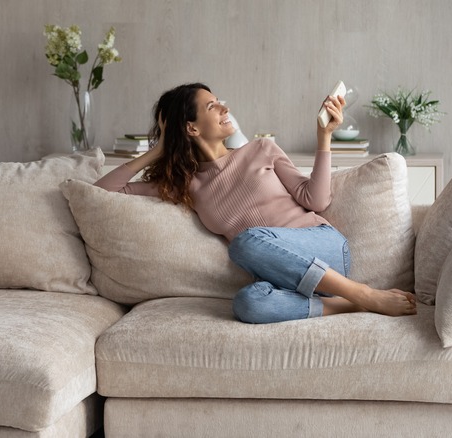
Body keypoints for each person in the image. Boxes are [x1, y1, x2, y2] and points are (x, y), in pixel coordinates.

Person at [94, 83, 417, 323]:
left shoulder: (261, 149)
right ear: (190, 128)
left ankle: (362, 292)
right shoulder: (185, 185)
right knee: (248, 304)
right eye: (211, 106)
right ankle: (352, 304)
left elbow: (316, 199)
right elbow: (104, 191)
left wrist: (324, 137)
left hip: (324, 247)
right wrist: (158, 150)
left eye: (220, 102)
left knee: (246, 241)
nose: (224, 108)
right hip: (280, 275)